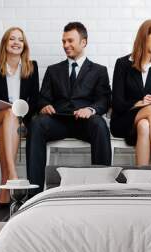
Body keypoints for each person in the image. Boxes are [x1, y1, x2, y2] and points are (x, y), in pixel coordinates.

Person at [27, 22, 112, 191]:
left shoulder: (99, 70)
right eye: (63, 41)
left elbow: (104, 99)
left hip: (84, 123)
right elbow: (42, 98)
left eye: (70, 41)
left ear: (83, 42)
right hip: (58, 122)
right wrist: (44, 106)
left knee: (100, 125)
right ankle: (34, 192)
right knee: (36, 123)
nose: (66, 45)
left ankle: (101, 188)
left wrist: (90, 110)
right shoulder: (53, 70)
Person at [0, 27, 39, 207]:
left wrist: (20, 112)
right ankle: (14, 175)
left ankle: (5, 191)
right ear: (5, 44)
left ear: (24, 45)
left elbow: (35, 102)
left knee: (11, 119)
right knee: (8, 114)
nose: (16, 42)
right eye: (12, 39)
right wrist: (9, 110)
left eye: (20, 40)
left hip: (20, 122)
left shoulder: (31, 67)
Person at [110, 19, 151, 165]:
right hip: (123, 120)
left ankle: (142, 178)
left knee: (144, 125)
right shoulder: (122, 64)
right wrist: (140, 103)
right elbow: (117, 103)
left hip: (147, 122)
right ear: (145, 36)